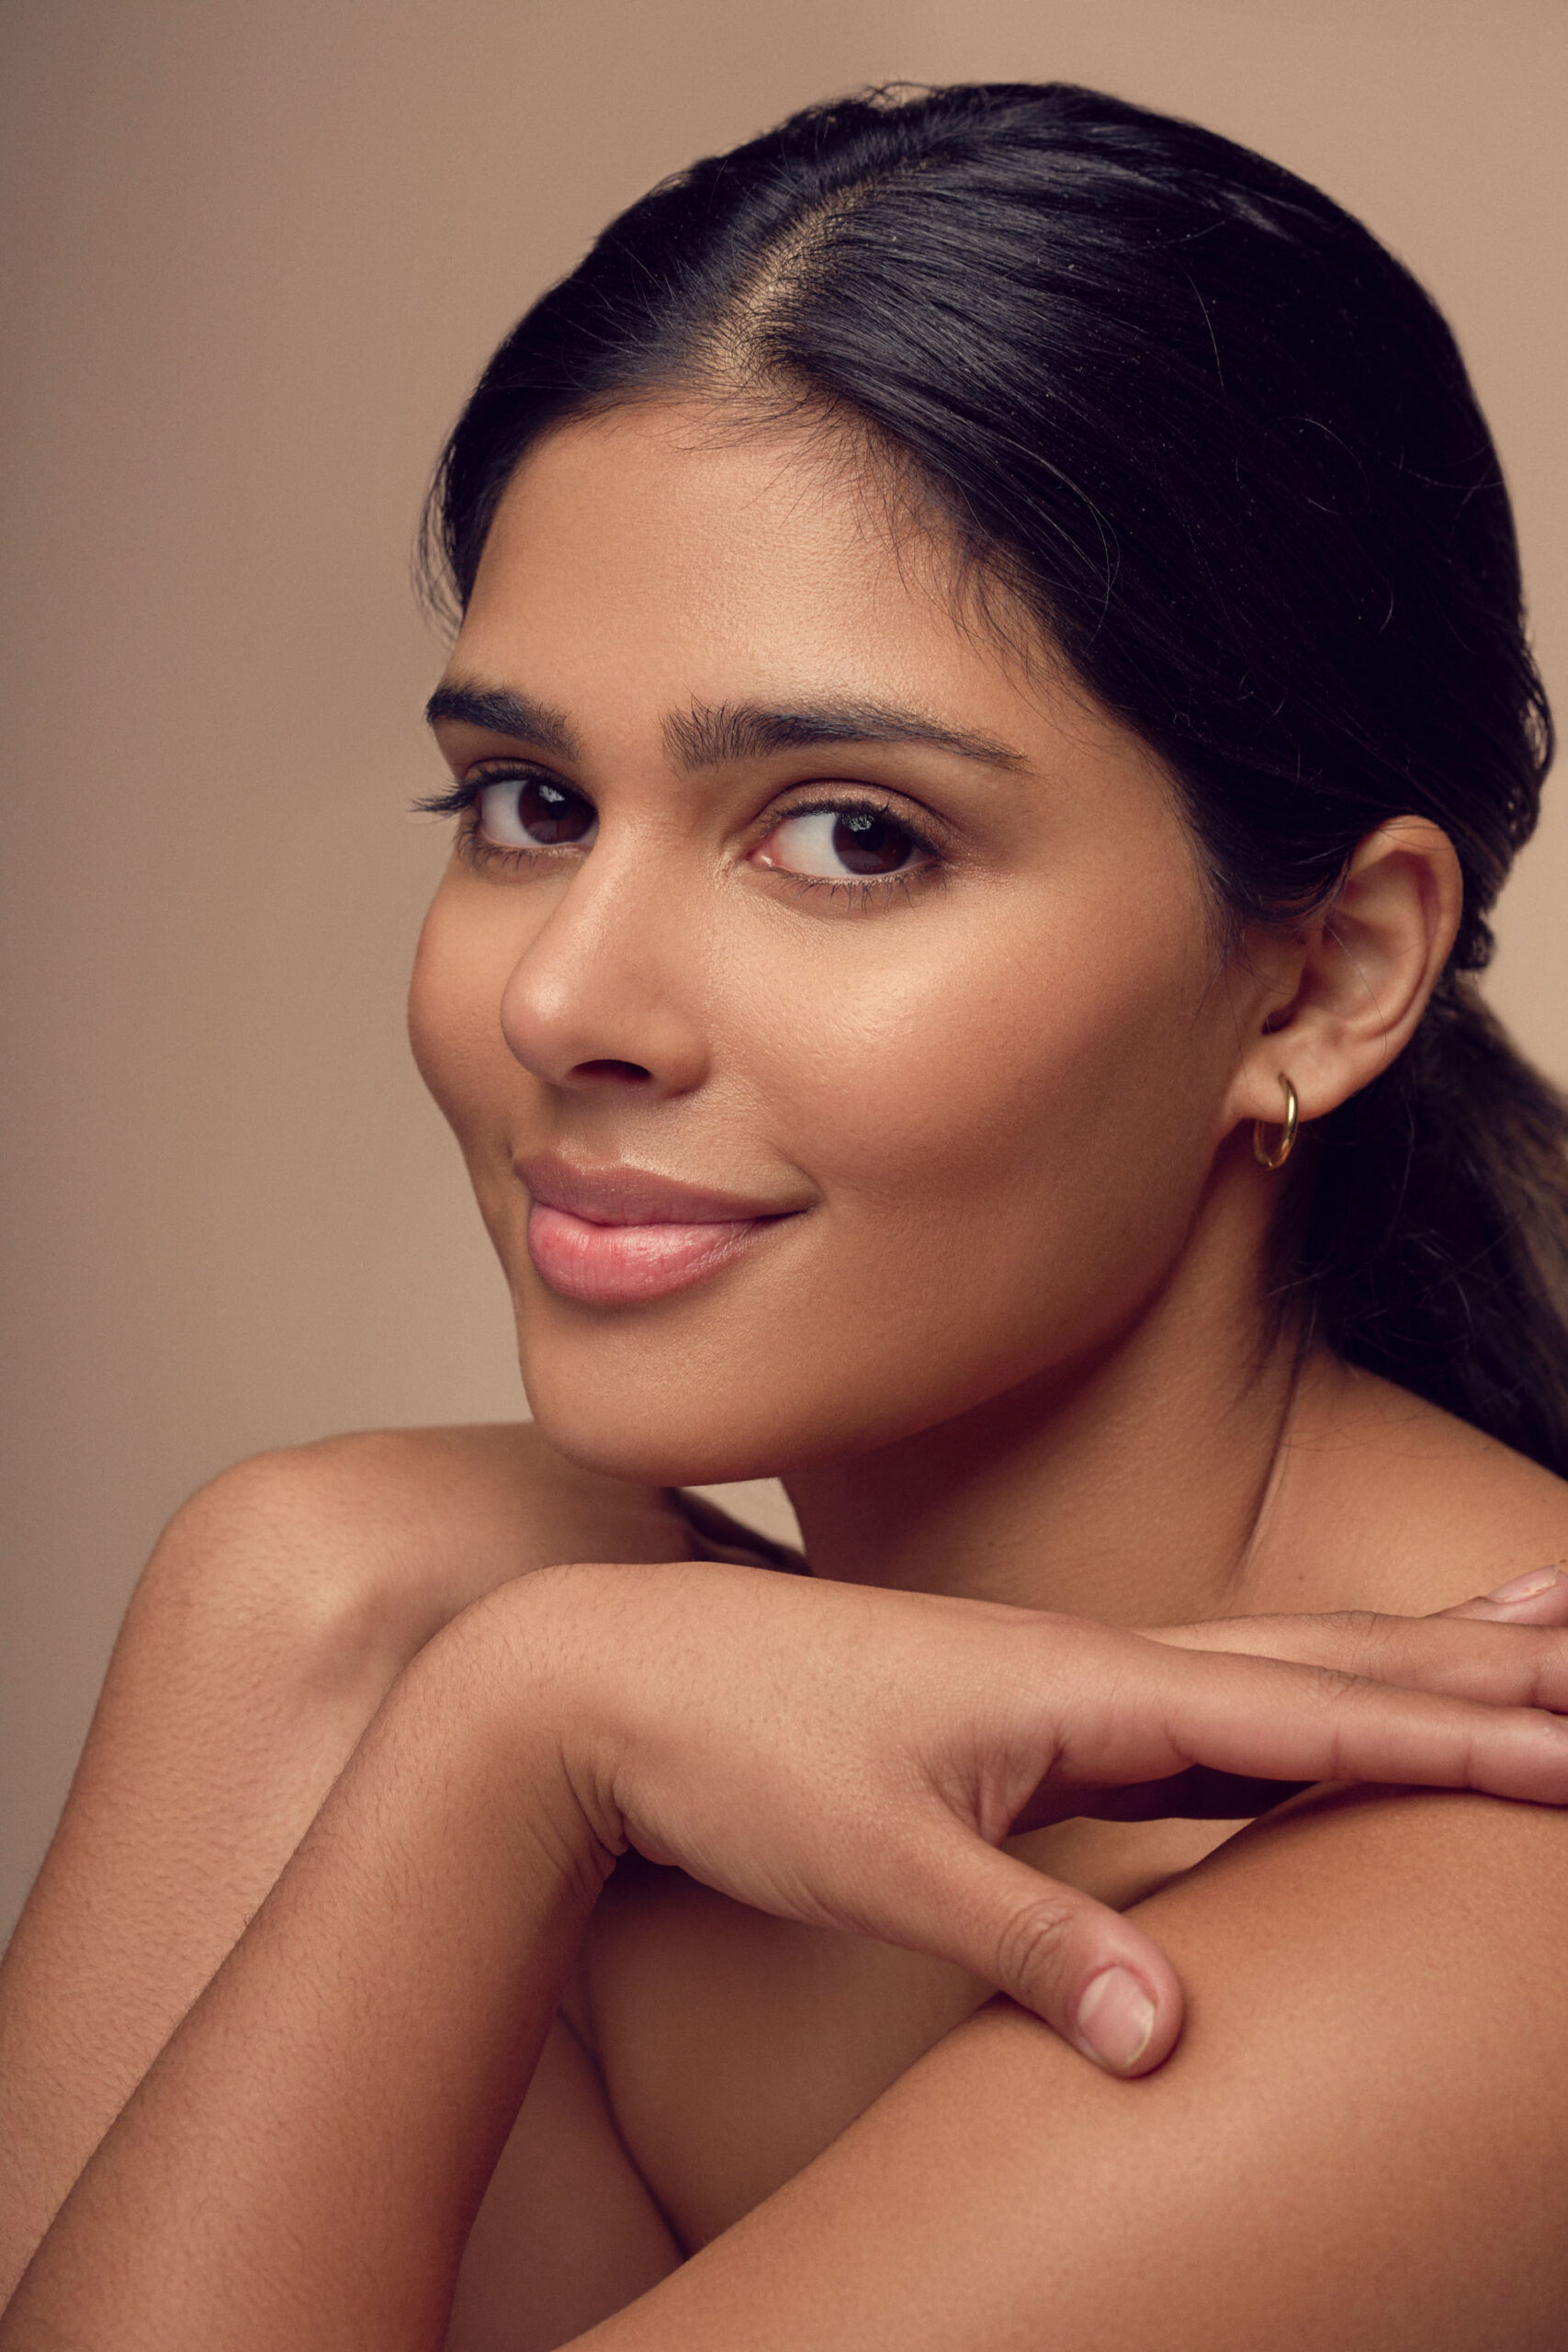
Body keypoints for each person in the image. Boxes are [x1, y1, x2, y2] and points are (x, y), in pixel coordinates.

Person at [4, 78, 1568, 2350]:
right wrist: (426, 1671)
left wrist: (518, 1727)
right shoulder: (399, 1632)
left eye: (850, 835)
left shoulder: (1492, 1927)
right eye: (528, 800)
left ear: (1320, 976)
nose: (560, 995)